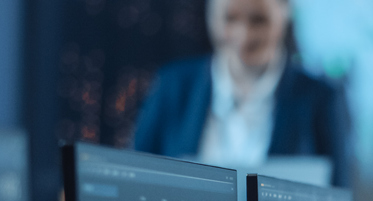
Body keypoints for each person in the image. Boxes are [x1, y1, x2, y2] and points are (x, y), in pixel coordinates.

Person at [131, 0, 352, 186]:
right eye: (229, 18)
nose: (243, 34)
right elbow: (135, 175)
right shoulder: (173, 86)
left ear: (285, 12)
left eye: (259, 20)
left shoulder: (321, 98)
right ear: (210, 16)